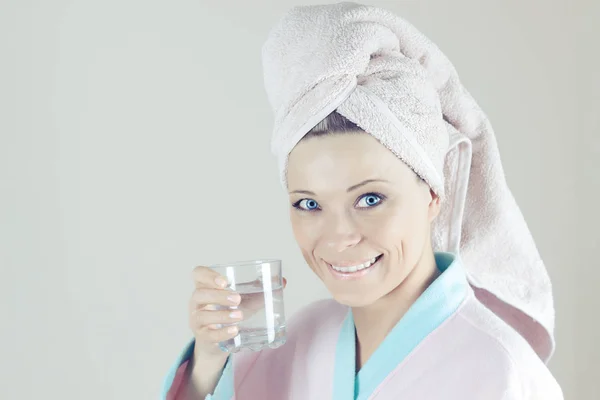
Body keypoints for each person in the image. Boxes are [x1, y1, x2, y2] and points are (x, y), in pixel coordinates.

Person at [161, 3, 563, 399]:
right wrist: (207, 365)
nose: (338, 237)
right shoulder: (293, 345)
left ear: (433, 195)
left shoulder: (504, 372)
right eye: (309, 204)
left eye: (370, 198)